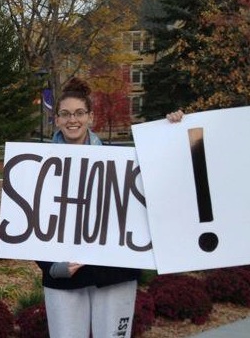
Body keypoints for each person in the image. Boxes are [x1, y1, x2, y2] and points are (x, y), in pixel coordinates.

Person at [38, 77, 183, 338]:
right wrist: (50, 266)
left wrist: (173, 130)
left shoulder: (121, 160)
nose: (73, 119)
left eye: (80, 113)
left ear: (91, 117)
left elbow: (163, 178)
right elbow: (31, 222)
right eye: (65, 114)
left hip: (115, 273)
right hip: (63, 276)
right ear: (57, 119)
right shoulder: (38, 166)